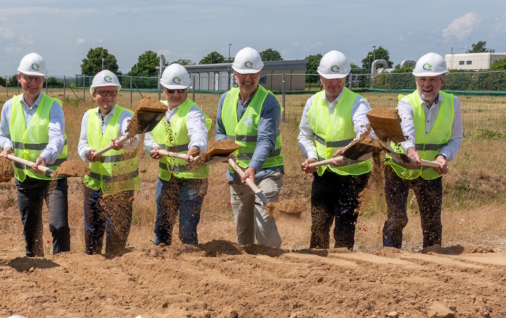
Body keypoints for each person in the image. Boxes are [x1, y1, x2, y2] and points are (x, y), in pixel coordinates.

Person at [382, 52, 462, 249]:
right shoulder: (406, 102)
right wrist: (410, 150)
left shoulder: (453, 103)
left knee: (432, 221)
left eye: (432, 79)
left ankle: (433, 257)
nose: (427, 84)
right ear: (416, 80)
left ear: (442, 81)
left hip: (430, 170)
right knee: (396, 218)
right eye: (422, 79)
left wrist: (443, 156)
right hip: (399, 167)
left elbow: (456, 138)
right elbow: (406, 129)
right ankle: (390, 256)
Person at [298, 51, 373, 250]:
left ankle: (343, 261)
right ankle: (318, 260)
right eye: (329, 78)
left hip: (353, 175)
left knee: (345, 225)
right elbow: (304, 135)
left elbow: (365, 134)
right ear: (320, 78)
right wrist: (311, 157)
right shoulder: (312, 102)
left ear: (346, 77)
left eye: (339, 78)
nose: (334, 83)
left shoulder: (358, 103)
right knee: (319, 224)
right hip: (324, 173)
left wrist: (348, 153)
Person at [0, 53, 69, 256]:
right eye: (28, 78)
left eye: (38, 79)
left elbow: (57, 138)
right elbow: (3, 134)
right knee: (31, 230)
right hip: (25, 178)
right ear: (19, 77)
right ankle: (37, 265)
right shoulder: (9, 106)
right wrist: (7, 146)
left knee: (59, 225)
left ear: (44, 80)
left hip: (52, 175)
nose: (33, 83)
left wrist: (45, 157)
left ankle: (65, 264)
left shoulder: (53, 106)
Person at [215, 47, 284, 248]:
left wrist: (252, 168)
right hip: (237, 173)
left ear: (260, 74)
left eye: (253, 74)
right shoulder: (225, 99)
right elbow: (220, 131)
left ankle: (274, 261)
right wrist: (222, 148)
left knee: (265, 228)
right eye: (243, 74)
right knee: (243, 232)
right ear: (235, 74)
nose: (248, 79)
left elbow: (266, 140)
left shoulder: (269, 102)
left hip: (266, 172)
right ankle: (249, 266)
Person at [146, 63, 210, 246]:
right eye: (171, 90)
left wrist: (195, 148)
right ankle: (162, 257)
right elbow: (148, 138)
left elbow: (198, 133)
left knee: (187, 229)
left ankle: (190, 259)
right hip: (167, 177)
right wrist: (152, 148)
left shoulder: (193, 111)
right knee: (162, 226)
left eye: (181, 90)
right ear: (163, 88)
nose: (176, 94)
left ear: (187, 89)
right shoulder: (156, 110)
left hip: (192, 179)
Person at [77, 70, 137, 255]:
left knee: (117, 235)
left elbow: (133, 139)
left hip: (119, 187)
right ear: (94, 94)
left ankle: (116, 267)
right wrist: (87, 153)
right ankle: (93, 266)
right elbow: (82, 143)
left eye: (112, 92)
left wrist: (123, 142)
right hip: (94, 185)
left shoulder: (126, 116)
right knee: (92, 232)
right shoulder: (88, 116)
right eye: (103, 92)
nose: (108, 96)